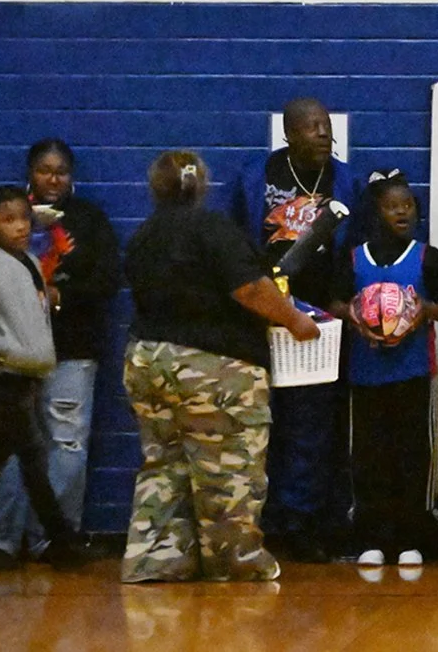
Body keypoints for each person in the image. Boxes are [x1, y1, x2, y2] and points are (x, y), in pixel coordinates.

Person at [121, 150, 321, 583]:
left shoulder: (142, 236)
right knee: (227, 466)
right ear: (202, 184)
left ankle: (156, 558)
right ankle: (236, 561)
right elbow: (249, 288)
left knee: (164, 461)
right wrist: (294, 319)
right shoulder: (212, 228)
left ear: (155, 186)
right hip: (212, 365)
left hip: (146, 359)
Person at [0, 139, 119, 566]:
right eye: (44, 170)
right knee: (8, 444)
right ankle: (0, 540)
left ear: (72, 176)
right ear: (29, 172)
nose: (53, 179)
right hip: (9, 356)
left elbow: (106, 280)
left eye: (62, 171)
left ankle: (53, 540)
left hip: (70, 349)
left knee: (66, 444)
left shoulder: (88, 219)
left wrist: (56, 296)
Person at [231, 96, 354, 561]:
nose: (322, 133)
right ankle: (264, 520)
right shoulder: (255, 178)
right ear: (288, 134)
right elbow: (237, 245)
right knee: (263, 421)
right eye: (311, 127)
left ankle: (303, 520)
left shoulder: (345, 179)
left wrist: (344, 302)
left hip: (320, 320)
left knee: (312, 422)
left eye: (326, 126)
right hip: (263, 315)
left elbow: (355, 247)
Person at [329, 170, 438, 571]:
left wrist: (423, 310)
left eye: (407, 206)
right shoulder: (354, 259)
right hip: (365, 375)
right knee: (368, 457)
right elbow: (334, 302)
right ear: (376, 212)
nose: (401, 212)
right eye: (392, 206)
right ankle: (371, 536)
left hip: (412, 373)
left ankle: (413, 536)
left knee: (413, 456)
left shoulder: (427, 257)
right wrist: (356, 314)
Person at [0, 186, 90, 570]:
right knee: (33, 461)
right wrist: (3, 350)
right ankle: (62, 543)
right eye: (7, 220)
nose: (19, 227)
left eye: (23, 218)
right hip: (4, 379)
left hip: (24, 377)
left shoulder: (28, 260)